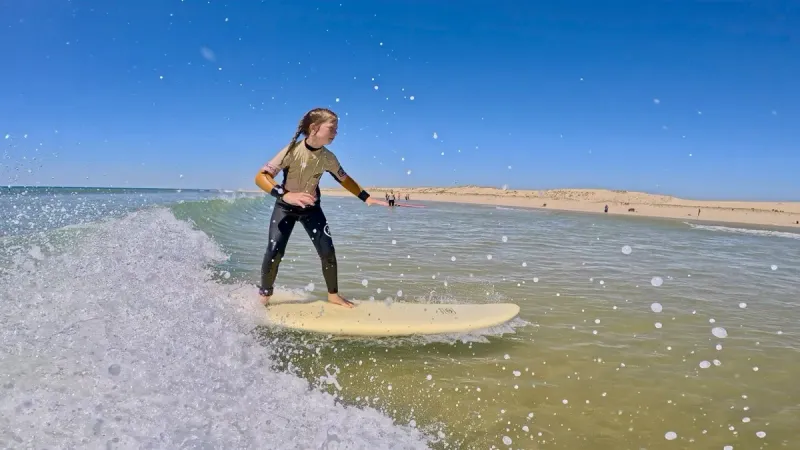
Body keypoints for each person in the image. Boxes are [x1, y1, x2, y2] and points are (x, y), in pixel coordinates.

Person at [254, 107, 388, 308]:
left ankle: (333, 295)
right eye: (332, 128)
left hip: (312, 210)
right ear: (314, 128)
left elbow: (344, 179)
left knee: (327, 252)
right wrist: (286, 195)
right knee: (274, 250)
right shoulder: (291, 151)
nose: (336, 133)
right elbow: (261, 177)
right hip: (285, 207)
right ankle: (264, 296)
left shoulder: (328, 158)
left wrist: (366, 198)